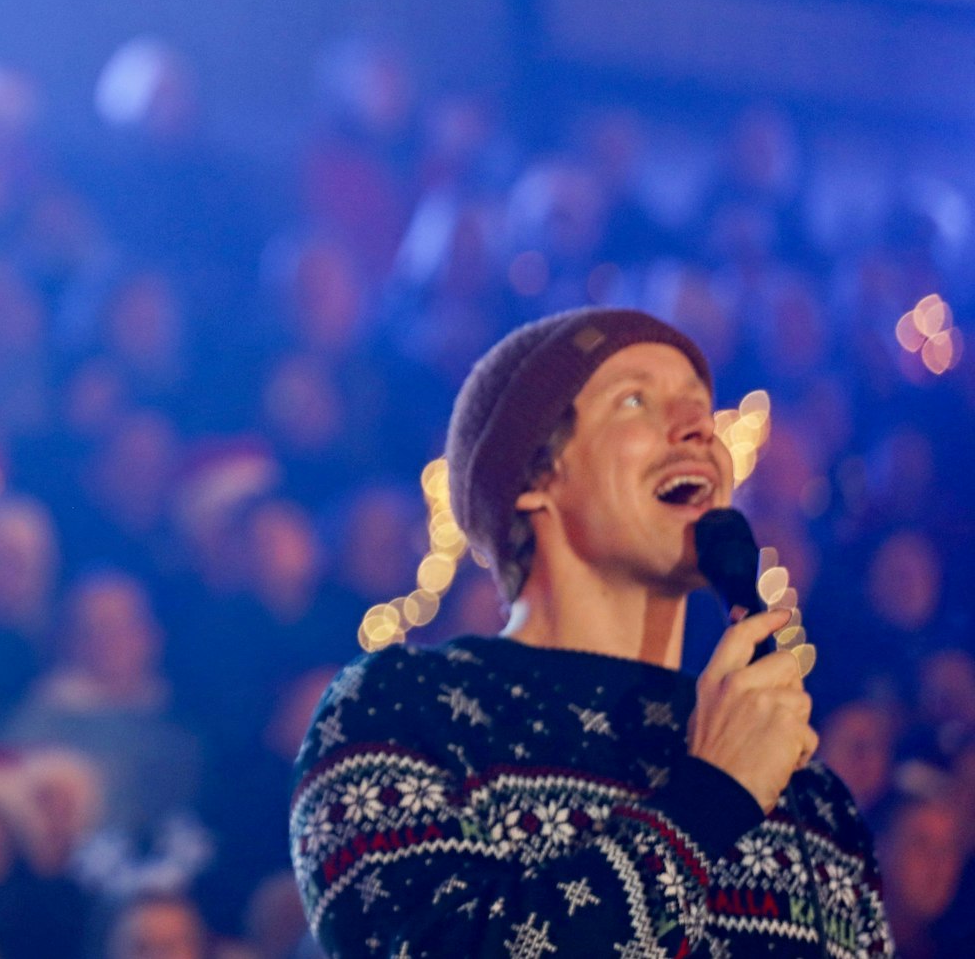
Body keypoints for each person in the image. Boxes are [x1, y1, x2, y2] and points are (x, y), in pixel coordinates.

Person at [290, 308, 889, 957]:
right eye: (635, 399)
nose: (699, 429)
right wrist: (711, 798)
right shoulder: (403, 709)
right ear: (533, 479)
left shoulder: (809, 791)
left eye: (700, 408)